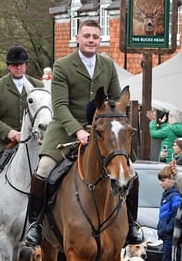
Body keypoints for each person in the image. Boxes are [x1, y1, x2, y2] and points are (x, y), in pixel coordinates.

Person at [24, 19, 142, 246]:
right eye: (86, 36)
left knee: (131, 172)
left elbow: (116, 101)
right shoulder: (63, 65)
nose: (91, 40)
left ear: (100, 40)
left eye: (95, 37)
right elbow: (59, 106)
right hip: (66, 127)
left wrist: (113, 123)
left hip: (103, 130)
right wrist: (77, 130)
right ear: (77, 38)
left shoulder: (107, 65)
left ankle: (132, 224)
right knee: (44, 169)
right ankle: (35, 225)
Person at [0, 45, 44, 222]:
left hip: (33, 139)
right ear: (8, 66)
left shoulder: (38, 85)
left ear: (26, 65)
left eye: (21, 64)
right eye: (14, 65)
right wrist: (9, 132)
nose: (18, 67)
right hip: (2, 138)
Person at [151, 163, 182, 261]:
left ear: (171, 179)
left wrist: (168, 228)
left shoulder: (174, 195)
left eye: (163, 180)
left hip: (169, 236)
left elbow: (177, 213)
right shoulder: (167, 194)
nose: (160, 183)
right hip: (165, 235)